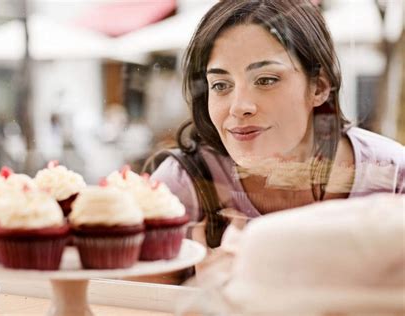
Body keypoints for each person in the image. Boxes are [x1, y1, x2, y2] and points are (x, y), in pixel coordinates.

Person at [150, 0, 404, 249]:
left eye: (266, 80)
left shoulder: (394, 177)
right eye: (220, 85)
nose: (239, 107)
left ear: (319, 87)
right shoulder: (182, 186)